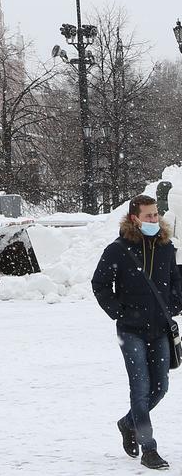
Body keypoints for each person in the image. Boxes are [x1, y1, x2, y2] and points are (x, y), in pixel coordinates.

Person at [92, 193, 182, 471]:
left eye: (156, 214)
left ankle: (128, 422)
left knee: (161, 387)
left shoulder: (168, 248)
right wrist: (120, 313)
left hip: (160, 330)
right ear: (135, 218)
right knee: (140, 389)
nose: (154, 219)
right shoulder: (118, 249)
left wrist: (174, 304)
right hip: (130, 331)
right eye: (149, 216)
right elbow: (100, 284)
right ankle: (149, 448)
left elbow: (177, 282)